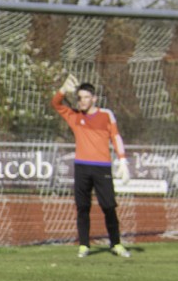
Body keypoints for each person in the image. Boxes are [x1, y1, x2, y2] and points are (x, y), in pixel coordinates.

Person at [51, 75, 131, 259]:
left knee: (109, 206)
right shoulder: (74, 116)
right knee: (82, 207)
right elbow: (55, 104)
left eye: (86, 97)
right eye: (79, 98)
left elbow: (116, 136)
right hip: (82, 167)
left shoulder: (106, 115)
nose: (82, 101)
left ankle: (116, 244)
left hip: (102, 167)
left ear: (94, 99)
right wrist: (63, 90)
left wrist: (122, 160)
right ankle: (84, 245)